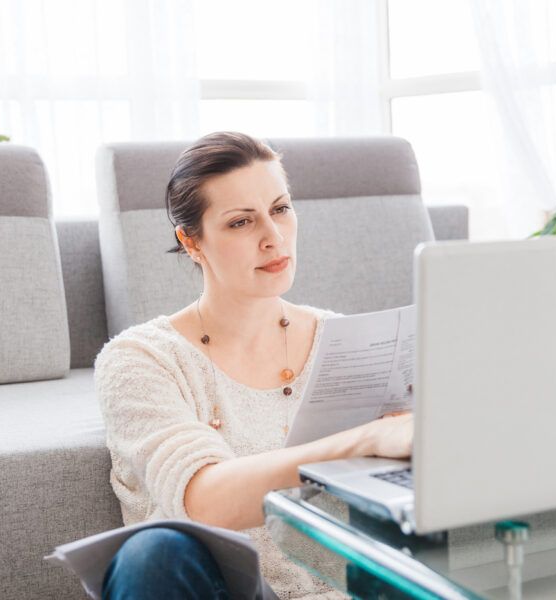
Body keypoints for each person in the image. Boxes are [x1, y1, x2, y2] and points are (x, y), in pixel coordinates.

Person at [94, 131, 413, 599]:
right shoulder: (141, 359)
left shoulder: (349, 340)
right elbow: (205, 501)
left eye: (280, 209)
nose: (274, 237)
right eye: (242, 222)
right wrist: (368, 438)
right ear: (192, 242)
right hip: (230, 591)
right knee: (154, 551)